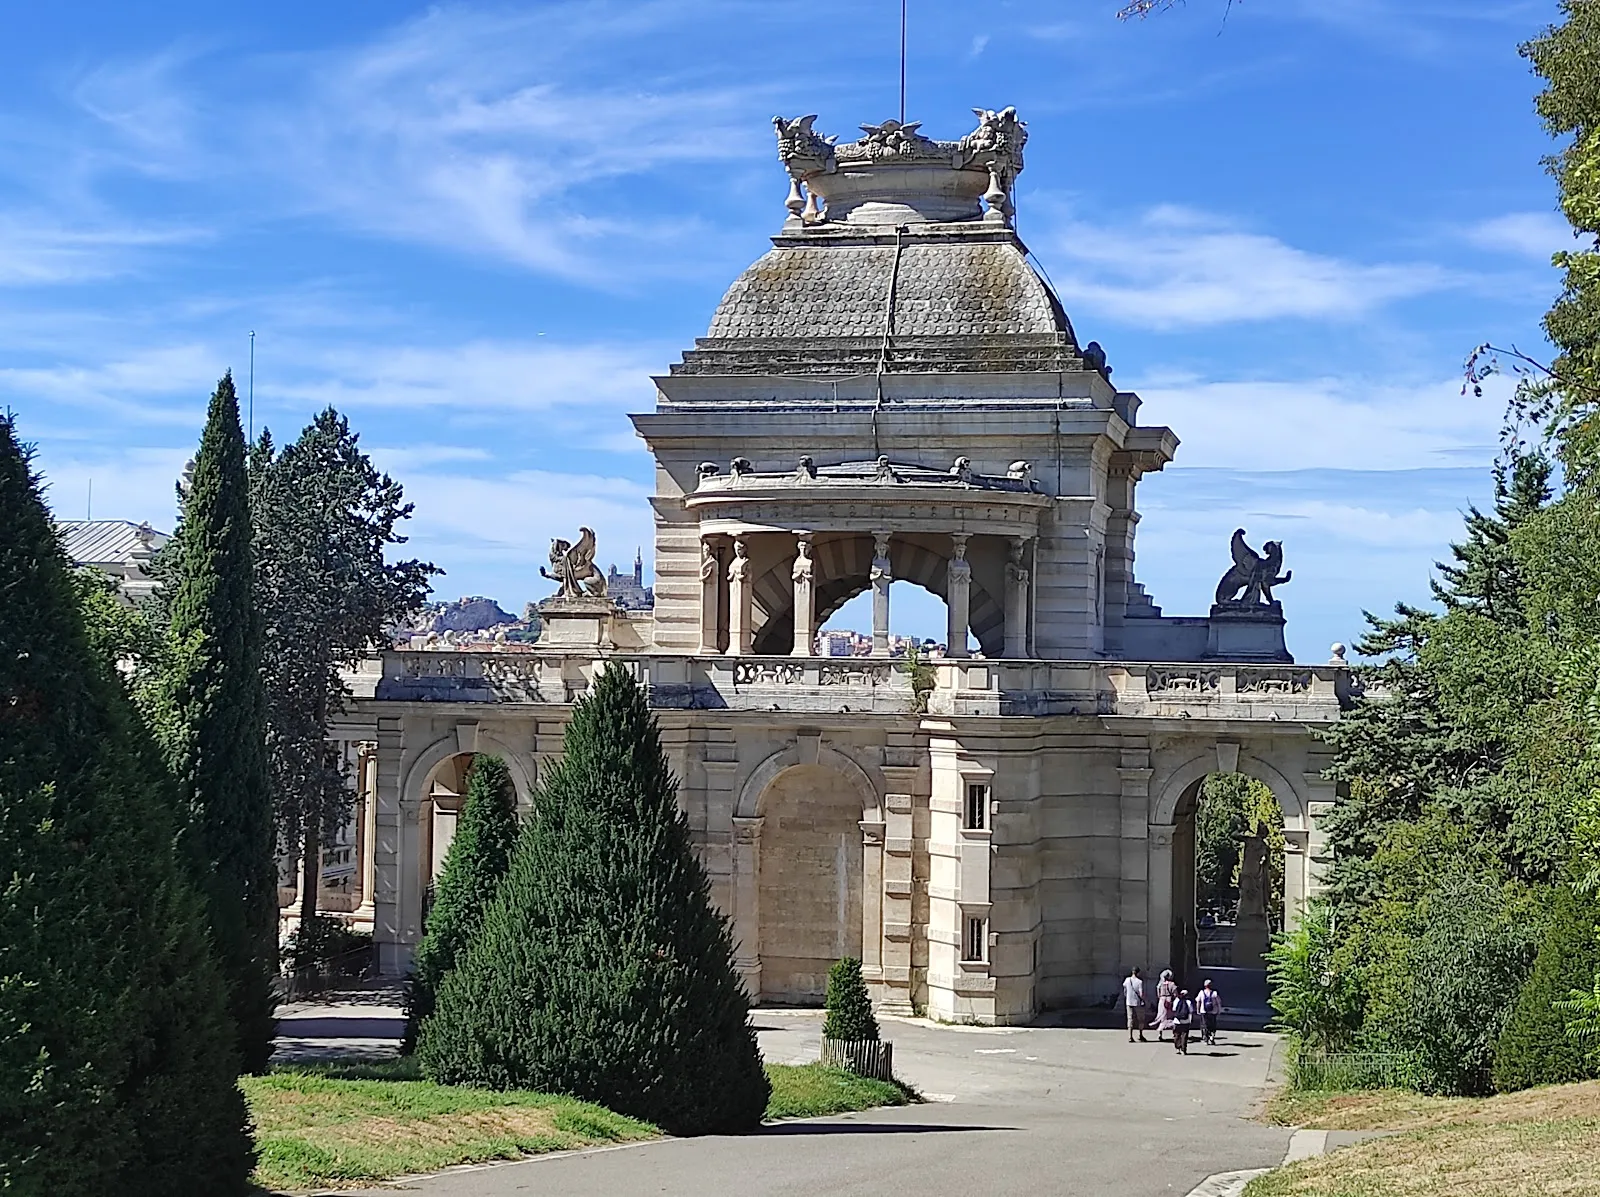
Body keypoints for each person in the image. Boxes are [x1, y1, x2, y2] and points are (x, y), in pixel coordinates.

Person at [1122, 967, 1148, 1043]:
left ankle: (1130, 1036)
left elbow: (1125, 990)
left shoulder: (1127, 980)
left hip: (1129, 1002)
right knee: (1140, 1019)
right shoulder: (1139, 982)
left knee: (1130, 1019)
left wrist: (1127, 996)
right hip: (1137, 1002)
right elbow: (1141, 993)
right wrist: (1144, 999)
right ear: (1138, 973)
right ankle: (1140, 1035)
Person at [1154, 969, 1179, 1042]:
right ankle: (1174, 1033)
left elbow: (1158, 994)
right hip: (1169, 1000)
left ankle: (1160, 1034)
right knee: (1171, 1017)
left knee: (1161, 1017)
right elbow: (1175, 994)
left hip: (1162, 1001)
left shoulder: (1160, 984)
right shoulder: (1172, 984)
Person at [1198, 979, 1224, 1046]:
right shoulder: (1214, 993)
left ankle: (1206, 1038)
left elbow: (1198, 1001)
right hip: (1213, 1012)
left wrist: (1198, 1010)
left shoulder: (1201, 993)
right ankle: (1212, 1036)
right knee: (1212, 1025)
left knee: (1204, 1025)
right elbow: (1219, 1002)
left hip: (1204, 1011)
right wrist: (1219, 1010)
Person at [1172, 989, 1196, 1055]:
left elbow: (1173, 1009)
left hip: (1177, 1021)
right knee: (1184, 1036)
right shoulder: (1188, 1002)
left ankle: (1177, 1047)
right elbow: (1191, 1011)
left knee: (1177, 1035)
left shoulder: (1176, 1000)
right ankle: (1183, 1049)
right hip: (1186, 1021)